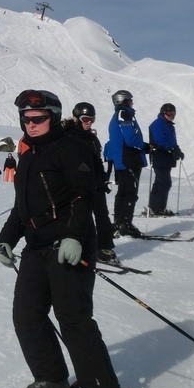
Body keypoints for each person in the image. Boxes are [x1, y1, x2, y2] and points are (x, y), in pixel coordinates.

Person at [0, 89, 121, 388]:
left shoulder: (71, 147)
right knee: (26, 315)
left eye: (38, 119)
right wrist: (6, 238)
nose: (31, 124)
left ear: (52, 116)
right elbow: (21, 208)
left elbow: (85, 195)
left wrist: (75, 235)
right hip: (37, 249)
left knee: (73, 318)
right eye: (26, 119)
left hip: (70, 245)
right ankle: (52, 379)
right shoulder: (28, 156)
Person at [65, 102, 119, 265]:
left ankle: (104, 247)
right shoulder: (69, 136)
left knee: (102, 215)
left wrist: (102, 179)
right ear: (76, 118)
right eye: (85, 119)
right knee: (80, 217)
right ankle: (76, 246)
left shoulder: (91, 138)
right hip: (77, 186)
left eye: (92, 119)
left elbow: (96, 161)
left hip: (95, 184)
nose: (89, 123)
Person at [105, 89, 147, 237]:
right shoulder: (124, 113)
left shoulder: (119, 114)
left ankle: (119, 222)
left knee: (124, 192)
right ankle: (125, 224)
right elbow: (130, 138)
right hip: (129, 158)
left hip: (123, 159)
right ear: (125, 101)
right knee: (130, 193)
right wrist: (144, 146)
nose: (132, 102)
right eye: (130, 100)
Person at [147, 103, 184, 216]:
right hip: (159, 155)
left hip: (166, 156)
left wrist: (177, 149)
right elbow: (160, 140)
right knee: (164, 182)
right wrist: (172, 149)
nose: (172, 116)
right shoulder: (158, 124)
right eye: (169, 114)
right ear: (164, 113)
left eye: (173, 114)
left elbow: (172, 141)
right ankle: (156, 208)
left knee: (161, 182)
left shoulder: (169, 125)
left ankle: (155, 208)